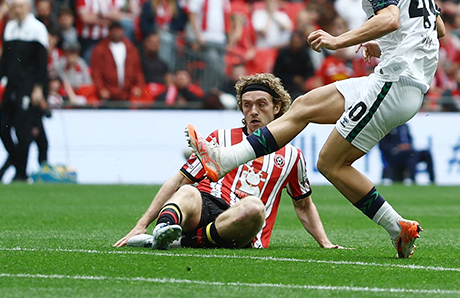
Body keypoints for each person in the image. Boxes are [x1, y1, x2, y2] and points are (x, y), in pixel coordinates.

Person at [187, 0, 444, 259]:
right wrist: (380, 43)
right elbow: (436, 27)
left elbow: (390, 17)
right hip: (393, 78)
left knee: (331, 164)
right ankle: (226, 159)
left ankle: (397, 228)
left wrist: (341, 41)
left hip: (397, 82)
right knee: (304, 105)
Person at [115, 73, 341, 251]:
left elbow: (304, 204)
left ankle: (178, 243)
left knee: (254, 207)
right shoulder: (219, 138)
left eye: (261, 104)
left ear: (277, 108)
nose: (253, 111)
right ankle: (161, 230)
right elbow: (178, 181)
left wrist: (325, 242)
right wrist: (141, 224)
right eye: (247, 105)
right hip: (204, 206)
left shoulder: (292, 156)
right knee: (188, 191)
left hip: (241, 224)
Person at [0, 0, 49, 182]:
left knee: (23, 129)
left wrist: (39, 87)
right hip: (12, 84)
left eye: (20, 6)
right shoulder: (9, 27)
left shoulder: (37, 28)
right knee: (3, 128)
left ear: (28, 7)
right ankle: (18, 163)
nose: (17, 10)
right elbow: (5, 60)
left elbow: (42, 61)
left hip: (28, 84)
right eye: (14, 6)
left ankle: (21, 172)